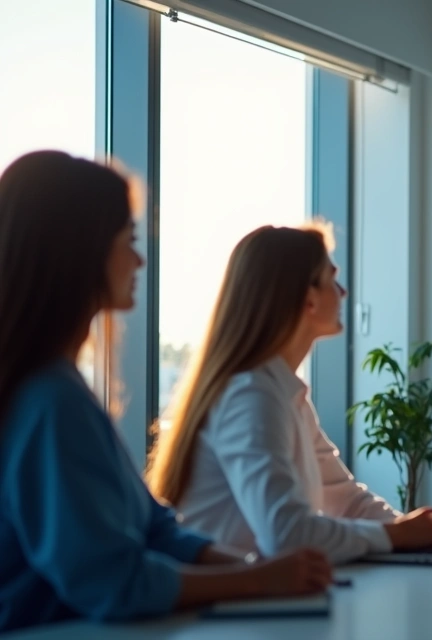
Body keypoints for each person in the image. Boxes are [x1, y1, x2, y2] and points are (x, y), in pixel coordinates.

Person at [0, 151, 331, 633]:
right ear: (81, 252)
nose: (139, 259)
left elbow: (155, 529)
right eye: (128, 241)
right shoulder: (51, 402)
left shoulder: (60, 388)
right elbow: (114, 581)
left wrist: (252, 569)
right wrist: (254, 579)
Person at [145, 223, 432, 564]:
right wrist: (395, 535)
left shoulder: (283, 393)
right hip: (233, 609)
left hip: (264, 601)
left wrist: (410, 532)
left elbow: (344, 498)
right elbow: (286, 535)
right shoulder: (250, 397)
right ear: (308, 299)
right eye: (332, 279)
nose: (343, 292)